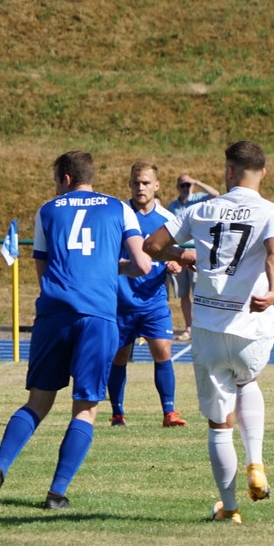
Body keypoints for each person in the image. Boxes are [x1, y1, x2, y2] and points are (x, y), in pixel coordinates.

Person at [0, 151, 151, 510]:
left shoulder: (48, 209)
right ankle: (56, 493)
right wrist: (110, 267)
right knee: (85, 409)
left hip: (54, 313)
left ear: (65, 179)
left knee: (37, 401)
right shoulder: (119, 207)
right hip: (97, 316)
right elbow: (143, 265)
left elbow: (42, 268)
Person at [143, 141, 274, 523]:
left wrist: (182, 255)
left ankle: (230, 507)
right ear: (263, 173)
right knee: (248, 381)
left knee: (218, 422)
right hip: (251, 324)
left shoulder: (200, 209)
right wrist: (273, 291)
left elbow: (153, 245)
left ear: (228, 171)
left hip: (207, 327)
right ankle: (255, 462)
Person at [108, 161, 187, 428]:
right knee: (119, 357)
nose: (140, 187)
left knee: (163, 351)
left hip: (153, 301)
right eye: (135, 182)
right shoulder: (117, 214)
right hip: (120, 301)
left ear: (157, 186)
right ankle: (117, 413)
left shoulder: (167, 220)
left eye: (145, 183)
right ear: (129, 184)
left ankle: (170, 412)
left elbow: (174, 256)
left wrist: (174, 264)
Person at [166, 173, 220, 341]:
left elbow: (216, 194)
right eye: (182, 185)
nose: (185, 188)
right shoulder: (172, 206)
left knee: (199, 292)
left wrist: (197, 182)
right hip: (180, 254)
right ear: (177, 187)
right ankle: (189, 327)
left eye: (188, 185)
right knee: (183, 294)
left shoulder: (199, 200)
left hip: (197, 253)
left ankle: (200, 327)